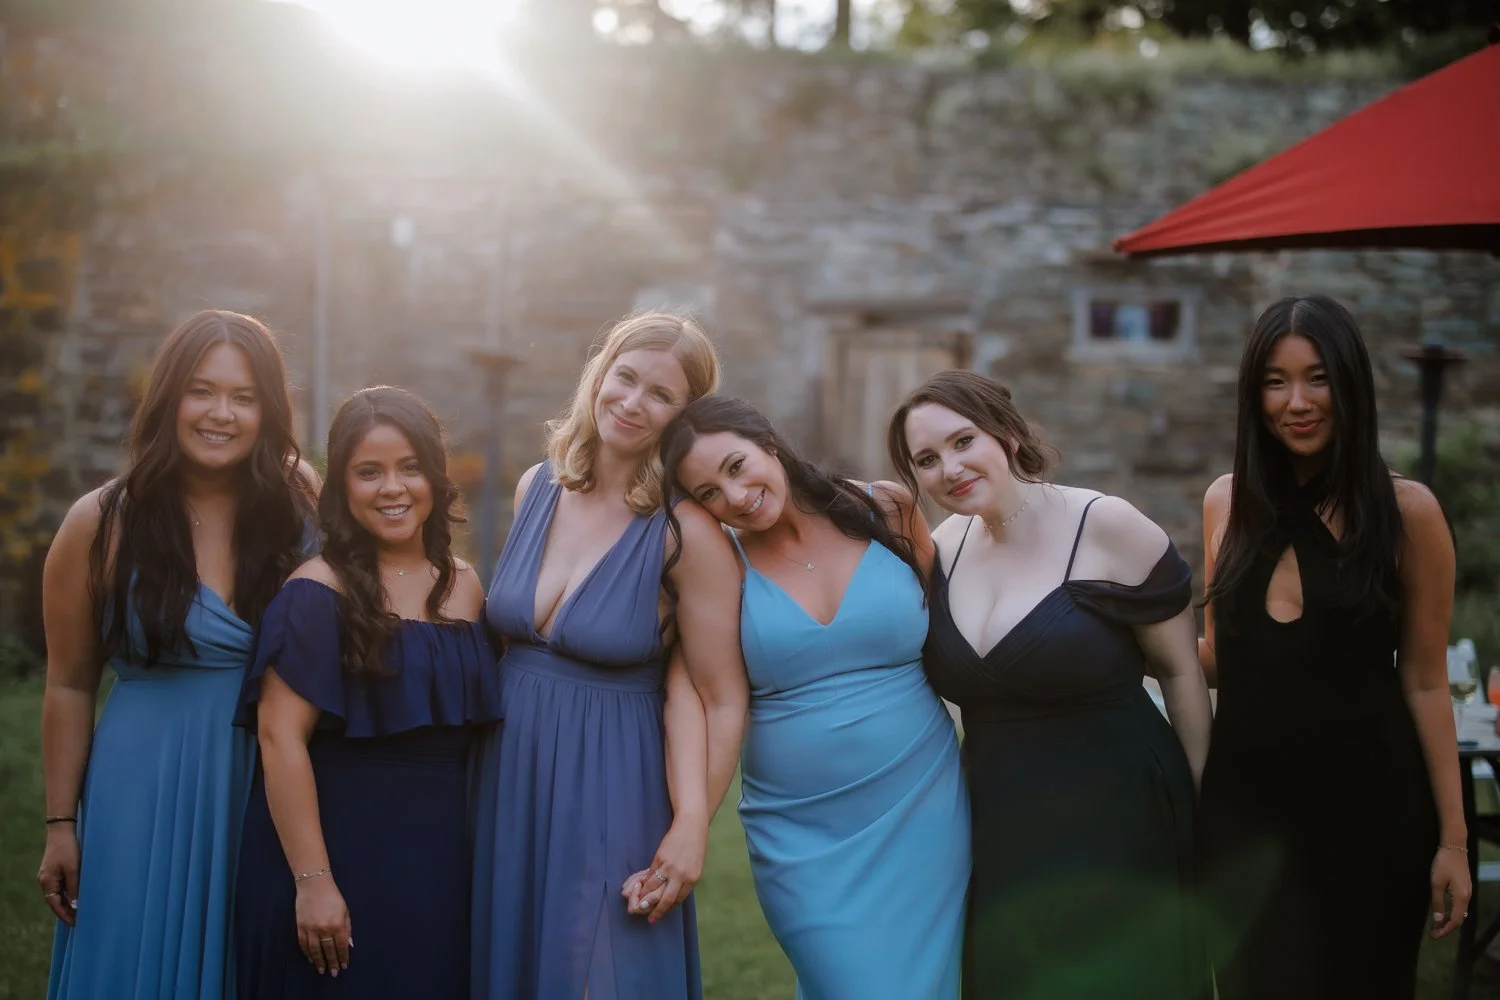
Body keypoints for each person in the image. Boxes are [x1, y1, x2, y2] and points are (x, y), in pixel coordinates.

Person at [889, 369, 1213, 1000]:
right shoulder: (941, 550)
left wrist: (1207, 802)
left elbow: (1180, 673)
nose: (949, 469)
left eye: (963, 442)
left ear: (1006, 434)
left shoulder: (1108, 526)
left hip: (1121, 811)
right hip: (1001, 821)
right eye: (926, 459)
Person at [38, 309, 318, 1000]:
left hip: (268, 778)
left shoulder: (299, 504)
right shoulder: (100, 523)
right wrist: (60, 824)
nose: (221, 413)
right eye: (202, 390)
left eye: (244, 397)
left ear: (268, 411)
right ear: (169, 399)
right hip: (142, 783)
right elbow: (70, 684)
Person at [1196, 295, 1467, 999]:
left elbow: (1428, 682)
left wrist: (1454, 841)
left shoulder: (1408, 513)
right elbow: (1220, 657)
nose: (1297, 402)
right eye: (1275, 381)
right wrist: (1116, 636)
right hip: (1245, 820)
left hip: (1372, 819)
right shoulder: (1225, 503)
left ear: (1350, 384)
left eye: (1317, 377)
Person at [472, 312, 749, 1000]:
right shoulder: (537, 484)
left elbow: (721, 696)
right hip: (508, 777)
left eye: (661, 395)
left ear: (685, 417)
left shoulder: (687, 530)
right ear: (599, 373)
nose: (632, 402)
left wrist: (691, 828)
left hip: (614, 784)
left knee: (602, 976)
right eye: (624, 377)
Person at [659, 395, 970, 999]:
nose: (735, 496)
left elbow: (954, 641)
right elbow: (698, 690)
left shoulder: (886, 507)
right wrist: (690, 819)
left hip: (924, 810)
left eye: (735, 466)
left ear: (767, 444)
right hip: (800, 833)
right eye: (709, 494)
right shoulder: (720, 561)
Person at [233, 386, 499, 998]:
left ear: (435, 475)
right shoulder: (314, 592)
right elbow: (279, 739)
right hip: (333, 857)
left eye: (410, 468)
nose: (393, 488)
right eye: (369, 472)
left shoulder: (466, 587)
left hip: (438, 861)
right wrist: (313, 880)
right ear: (342, 487)